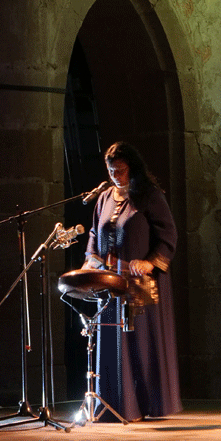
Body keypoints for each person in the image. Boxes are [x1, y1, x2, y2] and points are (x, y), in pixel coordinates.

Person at [84, 141, 182, 421]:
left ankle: (146, 405)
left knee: (140, 342)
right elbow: (94, 233)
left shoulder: (149, 196)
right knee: (113, 343)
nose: (116, 176)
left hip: (140, 284)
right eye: (111, 171)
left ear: (132, 168)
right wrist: (91, 259)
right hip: (110, 283)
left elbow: (168, 234)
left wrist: (150, 262)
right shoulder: (104, 197)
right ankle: (117, 407)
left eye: (121, 170)